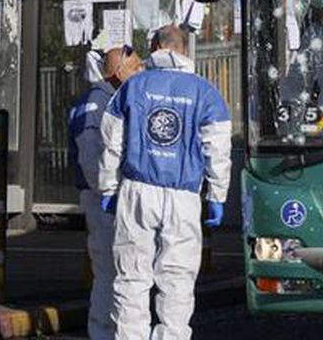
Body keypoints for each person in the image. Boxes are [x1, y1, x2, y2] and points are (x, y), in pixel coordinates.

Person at [98, 24, 232, 340]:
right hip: (183, 196)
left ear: (156, 47)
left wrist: (108, 188)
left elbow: (112, 141)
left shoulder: (133, 87)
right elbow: (218, 149)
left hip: (137, 190)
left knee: (131, 277)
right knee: (177, 279)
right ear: (184, 49)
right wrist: (217, 195)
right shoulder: (206, 92)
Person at [68, 46, 142, 340]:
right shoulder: (97, 103)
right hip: (103, 198)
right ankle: (102, 332)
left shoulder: (112, 99)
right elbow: (90, 156)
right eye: (135, 67)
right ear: (118, 72)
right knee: (110, 271)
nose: (141, 71)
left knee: (117, 271)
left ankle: (110, 331)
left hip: (112, 195)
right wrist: (108, 194)